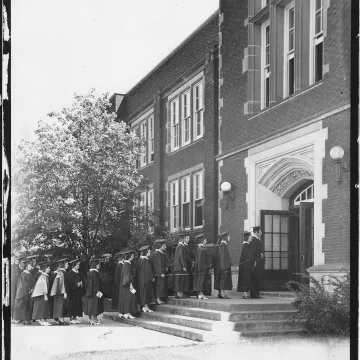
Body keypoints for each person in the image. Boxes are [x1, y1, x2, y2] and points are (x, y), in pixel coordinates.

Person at [13, 257, 34, 325]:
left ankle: (28, 319)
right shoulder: (23, 274)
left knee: (29, 305)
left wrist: (32, 288)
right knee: (24, 306)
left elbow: (32, 283)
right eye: (30, 265)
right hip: (24, 293)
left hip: (29, 292)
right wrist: (29, 290)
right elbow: (23, 285)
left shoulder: (30, 274)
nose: (31, 267)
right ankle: (25, 320)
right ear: (26, 267)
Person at [118, 251, 137, 319]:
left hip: (125, 284)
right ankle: (127, 313)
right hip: (127, 284)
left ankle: (123, 312)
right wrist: (130, 283)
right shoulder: (127, 264)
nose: (133, 257)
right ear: (129, 257)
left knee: (125, 298)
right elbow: (127, 275)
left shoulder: (126, 264)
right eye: (132, 256)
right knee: (128, 298)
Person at [84, 258, 103, 325]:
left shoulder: (91, 272)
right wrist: (97, 290)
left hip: (90, 291)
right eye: (98, 264)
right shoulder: (94, 273)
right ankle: (92, 320)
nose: (99, 265)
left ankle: (93, 319)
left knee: (92, 305)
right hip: (94, 292)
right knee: (93, 305)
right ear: (95, 265)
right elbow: (95, 283)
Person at [50, 258, 69, 325]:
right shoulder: (61, 273)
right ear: (63, 265)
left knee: (59, 306)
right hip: (60, 293)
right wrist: (64, 292)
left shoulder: (61, 272)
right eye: (66, 264)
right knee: (61, 306)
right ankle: (61, 320)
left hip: (58, 293)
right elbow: (61, 283)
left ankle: (59, 319)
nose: (68, 265)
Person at [237, 232, 255, 299]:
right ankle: (244, 293)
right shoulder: (245, 246)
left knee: (247, 279)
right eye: (250, 237)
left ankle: (245, 293)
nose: (251, 238)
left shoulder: (248, 245)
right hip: (245, 266)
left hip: (247, 266)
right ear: (247, 238)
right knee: (245, 279)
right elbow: (248, 257)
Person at [136, 245, 155, 313]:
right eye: (149, 251)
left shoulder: (140, 260)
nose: (150, 252)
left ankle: (142, 307)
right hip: (146, 281)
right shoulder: (145, 260)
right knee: (145, 294)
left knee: (142, 294)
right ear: (146, 252)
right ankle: (145, 307)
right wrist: (151, 277)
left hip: (141, 281)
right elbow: (148, 271)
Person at [193, 234, 211, 300]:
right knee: (201, 281)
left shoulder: (201, 248)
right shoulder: (201, 248)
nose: (206, 241)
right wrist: (200, 268)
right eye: (205, 240)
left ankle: (201, 294)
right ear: (202, 240)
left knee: (202, 281)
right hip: (202, 267)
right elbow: (200, 259)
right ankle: (200, 294)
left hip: (203, 267)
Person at [67, 259, 84, 324]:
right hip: (72, 292)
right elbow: (69, 284)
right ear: (74, 265)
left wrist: (81, 284)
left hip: (78, 292)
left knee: (77, 304)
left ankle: (75, 318)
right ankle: (71, 318)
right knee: (72, 305)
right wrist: (76, 284)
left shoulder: (79, 273)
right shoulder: (70, 273)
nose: (79, 265)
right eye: (77, 264)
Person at [152, 239, 168, 305]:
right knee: (159, 286)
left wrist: (166, 267)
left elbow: (164, 262)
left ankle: (160, 298)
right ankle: (158, 299)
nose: (165, 247)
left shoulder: (162, 253)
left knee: (162, 286)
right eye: (164, 246)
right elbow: (158, 264)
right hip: (159, 274)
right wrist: (161, 273)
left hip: (163, 273)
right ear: (160, 246)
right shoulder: (157, 253)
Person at [250, 226, 264, 299]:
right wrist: (256, 259)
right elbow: (253, 252)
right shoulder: (254, 240)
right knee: (255, 278)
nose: (261, 233)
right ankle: (254, 294)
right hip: (256, 262)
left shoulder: (257, 240)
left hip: (258, 262)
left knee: (257, 278)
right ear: (256, 232)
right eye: (260, 231)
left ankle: (256, 293)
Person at [173, 234, 187, 299]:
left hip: (178, 266)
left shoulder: (179, 246)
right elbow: (181, 256)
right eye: (184, 238)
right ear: (182, 239)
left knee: (180, 280)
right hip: (180, 266)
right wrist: (184, 266)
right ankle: (179, 293)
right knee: (179, 280)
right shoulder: (181, 246)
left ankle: (180, 293)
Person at [218, 232, 233, 299]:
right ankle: (222, 294)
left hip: (227, 266)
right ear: (226, 237)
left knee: (225, 281)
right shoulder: (223, 245)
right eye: (229, 236)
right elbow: (222, 257)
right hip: (225, 266)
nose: (230, 238)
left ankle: (224, 293)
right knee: (223, 280)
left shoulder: (225, 245)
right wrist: (224, 267)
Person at [11, 256, 25, 322]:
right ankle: (14, 317)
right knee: (14, 300)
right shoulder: (14, 267)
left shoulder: (21, 269)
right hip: (14, 286)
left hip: (18, 286)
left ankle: (17, 317)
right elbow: (16, 276)